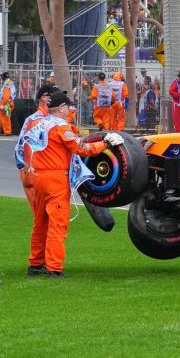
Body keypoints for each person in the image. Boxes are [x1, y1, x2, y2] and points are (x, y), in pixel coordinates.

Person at [23, 91, 123, 277]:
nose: (70, 110)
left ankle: (35, 264)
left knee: (40, 223)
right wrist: (106, 143)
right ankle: (53, 268)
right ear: (61, 109)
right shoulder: (61, 127)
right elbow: (81, 148)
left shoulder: (36, 123)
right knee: (57, 225)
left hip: (37, 177)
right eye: (68, 107)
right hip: (56, 180)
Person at [15, 84, 61, 209]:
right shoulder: (37, 120)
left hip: (37, 171)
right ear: (43, 98)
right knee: (44, 218)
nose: (57, 98)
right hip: (35, 172)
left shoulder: (47, 119)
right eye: (53, 95)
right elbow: (28, 148)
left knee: (46, 218)